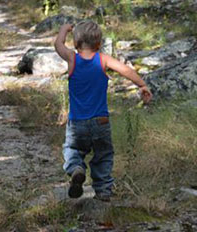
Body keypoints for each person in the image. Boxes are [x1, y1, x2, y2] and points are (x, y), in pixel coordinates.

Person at [54, 20, 153, 201]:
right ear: (99, 44)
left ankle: (77, 168)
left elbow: (58, 45)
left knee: (73, 149)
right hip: (101, 122)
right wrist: (142, 85)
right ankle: (104, 191)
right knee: (103, 156)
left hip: (77, 122)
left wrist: (63, 30)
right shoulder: (103, 59)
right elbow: (126, 71)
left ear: (76, 43)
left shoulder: (72, 58)